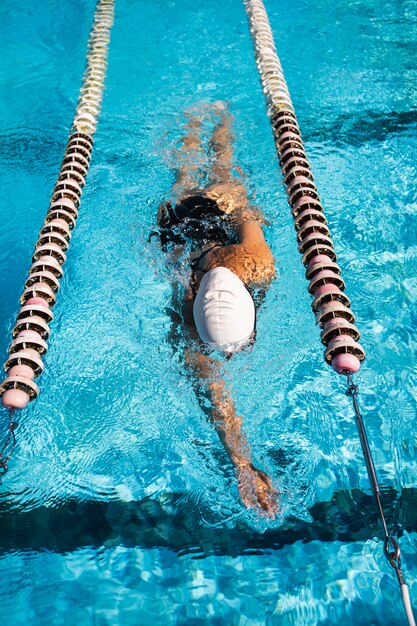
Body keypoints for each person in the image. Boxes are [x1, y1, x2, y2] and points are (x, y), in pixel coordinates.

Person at [156, 103, 278, 517]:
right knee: (192, 180)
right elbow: (215, 396)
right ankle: (203, 121)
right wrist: (241, 463)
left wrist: (243, 464)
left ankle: (207, 118)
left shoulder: (255, 265)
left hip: (196, 245)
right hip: (180, 237)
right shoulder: (190, 317)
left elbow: (215, 394)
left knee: (222, 175)